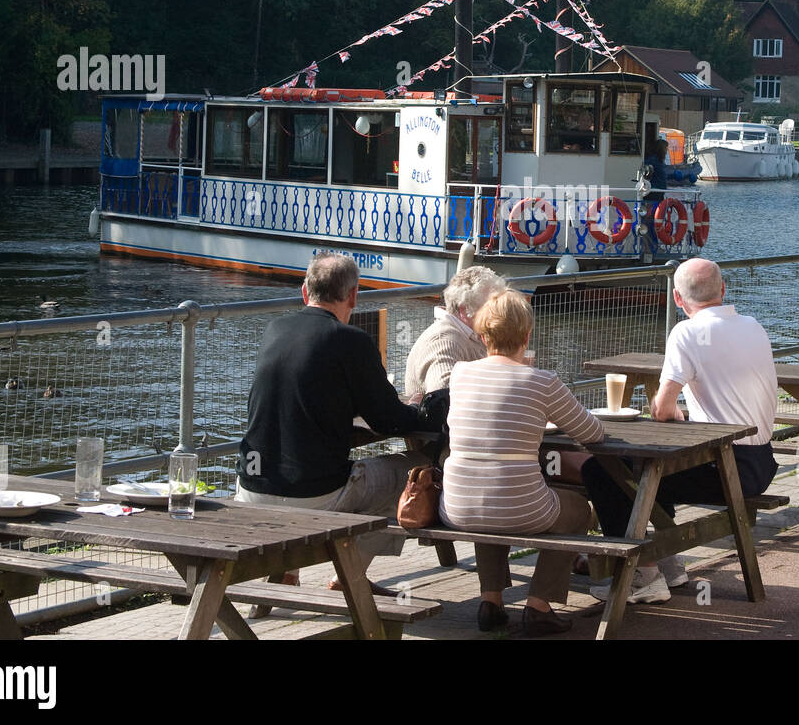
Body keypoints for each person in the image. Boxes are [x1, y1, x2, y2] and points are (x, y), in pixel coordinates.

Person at [582, 258, 779, 605]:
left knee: (603, 470)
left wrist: (672, 410)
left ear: (677, 297)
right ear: (723, 289)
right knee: (651, 466)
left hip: (727, 469)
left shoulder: (686, 333)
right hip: (761, 462)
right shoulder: (753, 326)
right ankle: (667, 563)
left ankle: (642, 573)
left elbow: (660, 409)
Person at [235, 252, 429, 596]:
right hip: (313, 497)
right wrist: (419, 406)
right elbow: (389, 420)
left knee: (305, 462)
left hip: (250, 490)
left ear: (305, 291)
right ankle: (349, 579)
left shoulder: (275, 329)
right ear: (353, 296)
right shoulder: (352, 340)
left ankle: (288, 572)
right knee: (414, 470)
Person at [440, 289, 605, 637]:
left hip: (457, 507)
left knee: (487, 494)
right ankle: (539, 606)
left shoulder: (460, 374)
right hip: (521, 509)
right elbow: (591, 432)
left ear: (483, 336)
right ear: (528, 335)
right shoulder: (542, 382)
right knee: (577, 509)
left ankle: (491, 600)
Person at [403, 265, 507, 398]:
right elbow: (443, 395)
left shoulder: (473, 333)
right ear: (465, 309)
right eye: (491, 305)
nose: (499, 311)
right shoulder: (444, 341)